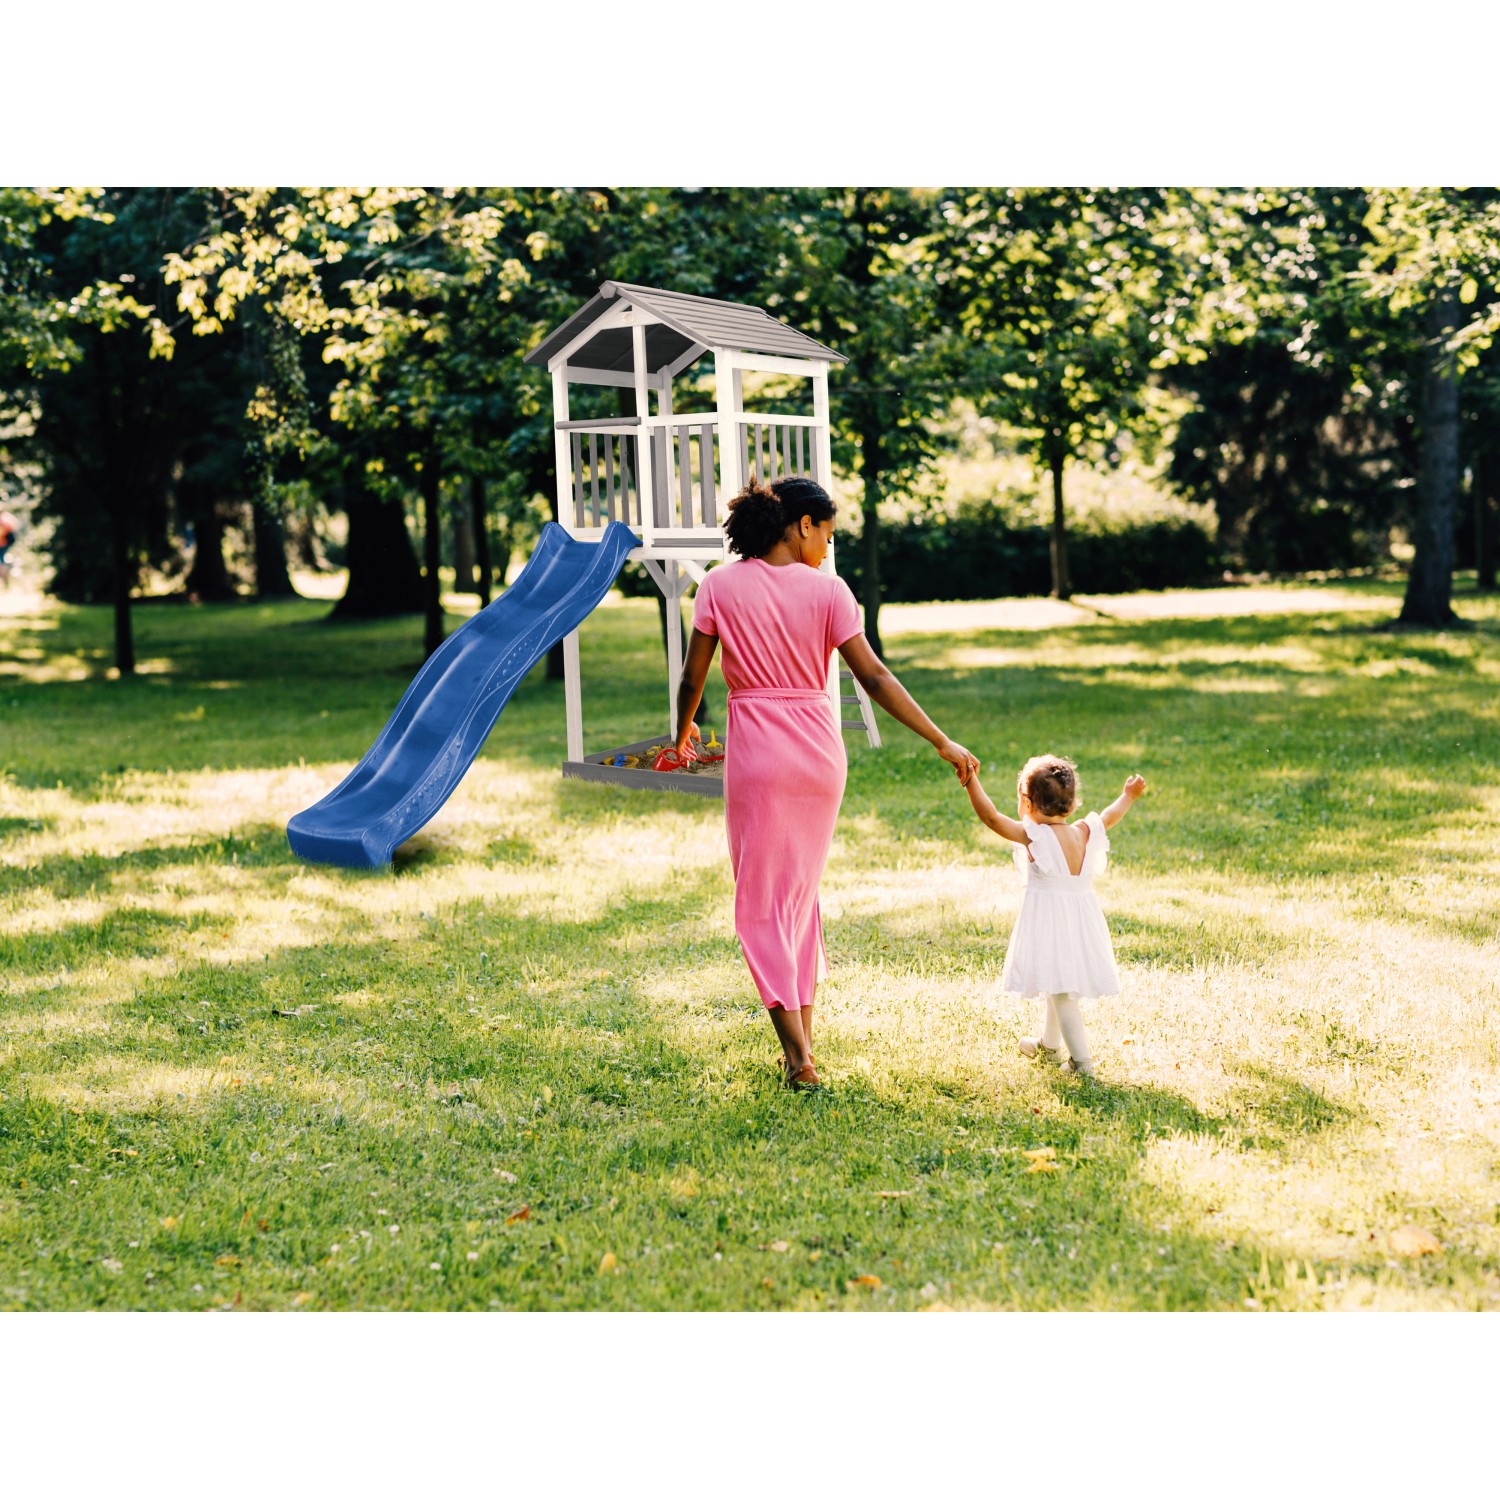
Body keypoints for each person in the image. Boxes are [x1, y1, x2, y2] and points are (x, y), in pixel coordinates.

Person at [674, 476, 979, 1090]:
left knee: (762, 903)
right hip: (819, 755)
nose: (828, 549)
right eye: (828, 535)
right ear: (802, 524)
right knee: (797, 899)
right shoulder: (830, 592)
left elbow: (693, 678)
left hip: (759, 755)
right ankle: (804, 1046)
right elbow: (874, 677)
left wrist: (680, 734)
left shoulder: (718, 585)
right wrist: (940, 739)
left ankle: (797, 1058)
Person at [961, 754, 1146, 1077]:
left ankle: (1082, 1063)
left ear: (1027, 802)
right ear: (1071, 805)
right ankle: (1048, 1045)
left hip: (1051, 922)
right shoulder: (1084, 831)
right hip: (1080, 921)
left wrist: (970, 780)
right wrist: (1128, 796)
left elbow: (991, 818)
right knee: (1054, 980)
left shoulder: (1035, 837)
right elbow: (1109, 815)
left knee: (1061, 992)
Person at [0, 507, 17, 586]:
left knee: (1, 562)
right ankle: (6, 582)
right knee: (2, 561)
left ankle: (5, 582)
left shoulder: (2, 522)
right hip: (4, 544)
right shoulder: (6, 519)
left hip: (2, 544)